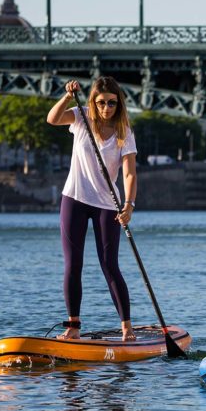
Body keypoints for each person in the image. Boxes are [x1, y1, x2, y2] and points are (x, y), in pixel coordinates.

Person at [46, 76, 138, 341]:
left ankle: (127, 328)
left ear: (119, 104)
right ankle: (73, 326)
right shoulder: (81, 117)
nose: (106, 108)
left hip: (107, 205)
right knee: (73, 264)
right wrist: (67, 96)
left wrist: (129, 205)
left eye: (112, 103)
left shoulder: (124, 132)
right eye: (101, 102)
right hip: (73, 199)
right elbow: (52, 118)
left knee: (110, 265)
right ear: (93, 102)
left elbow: (130, 174)